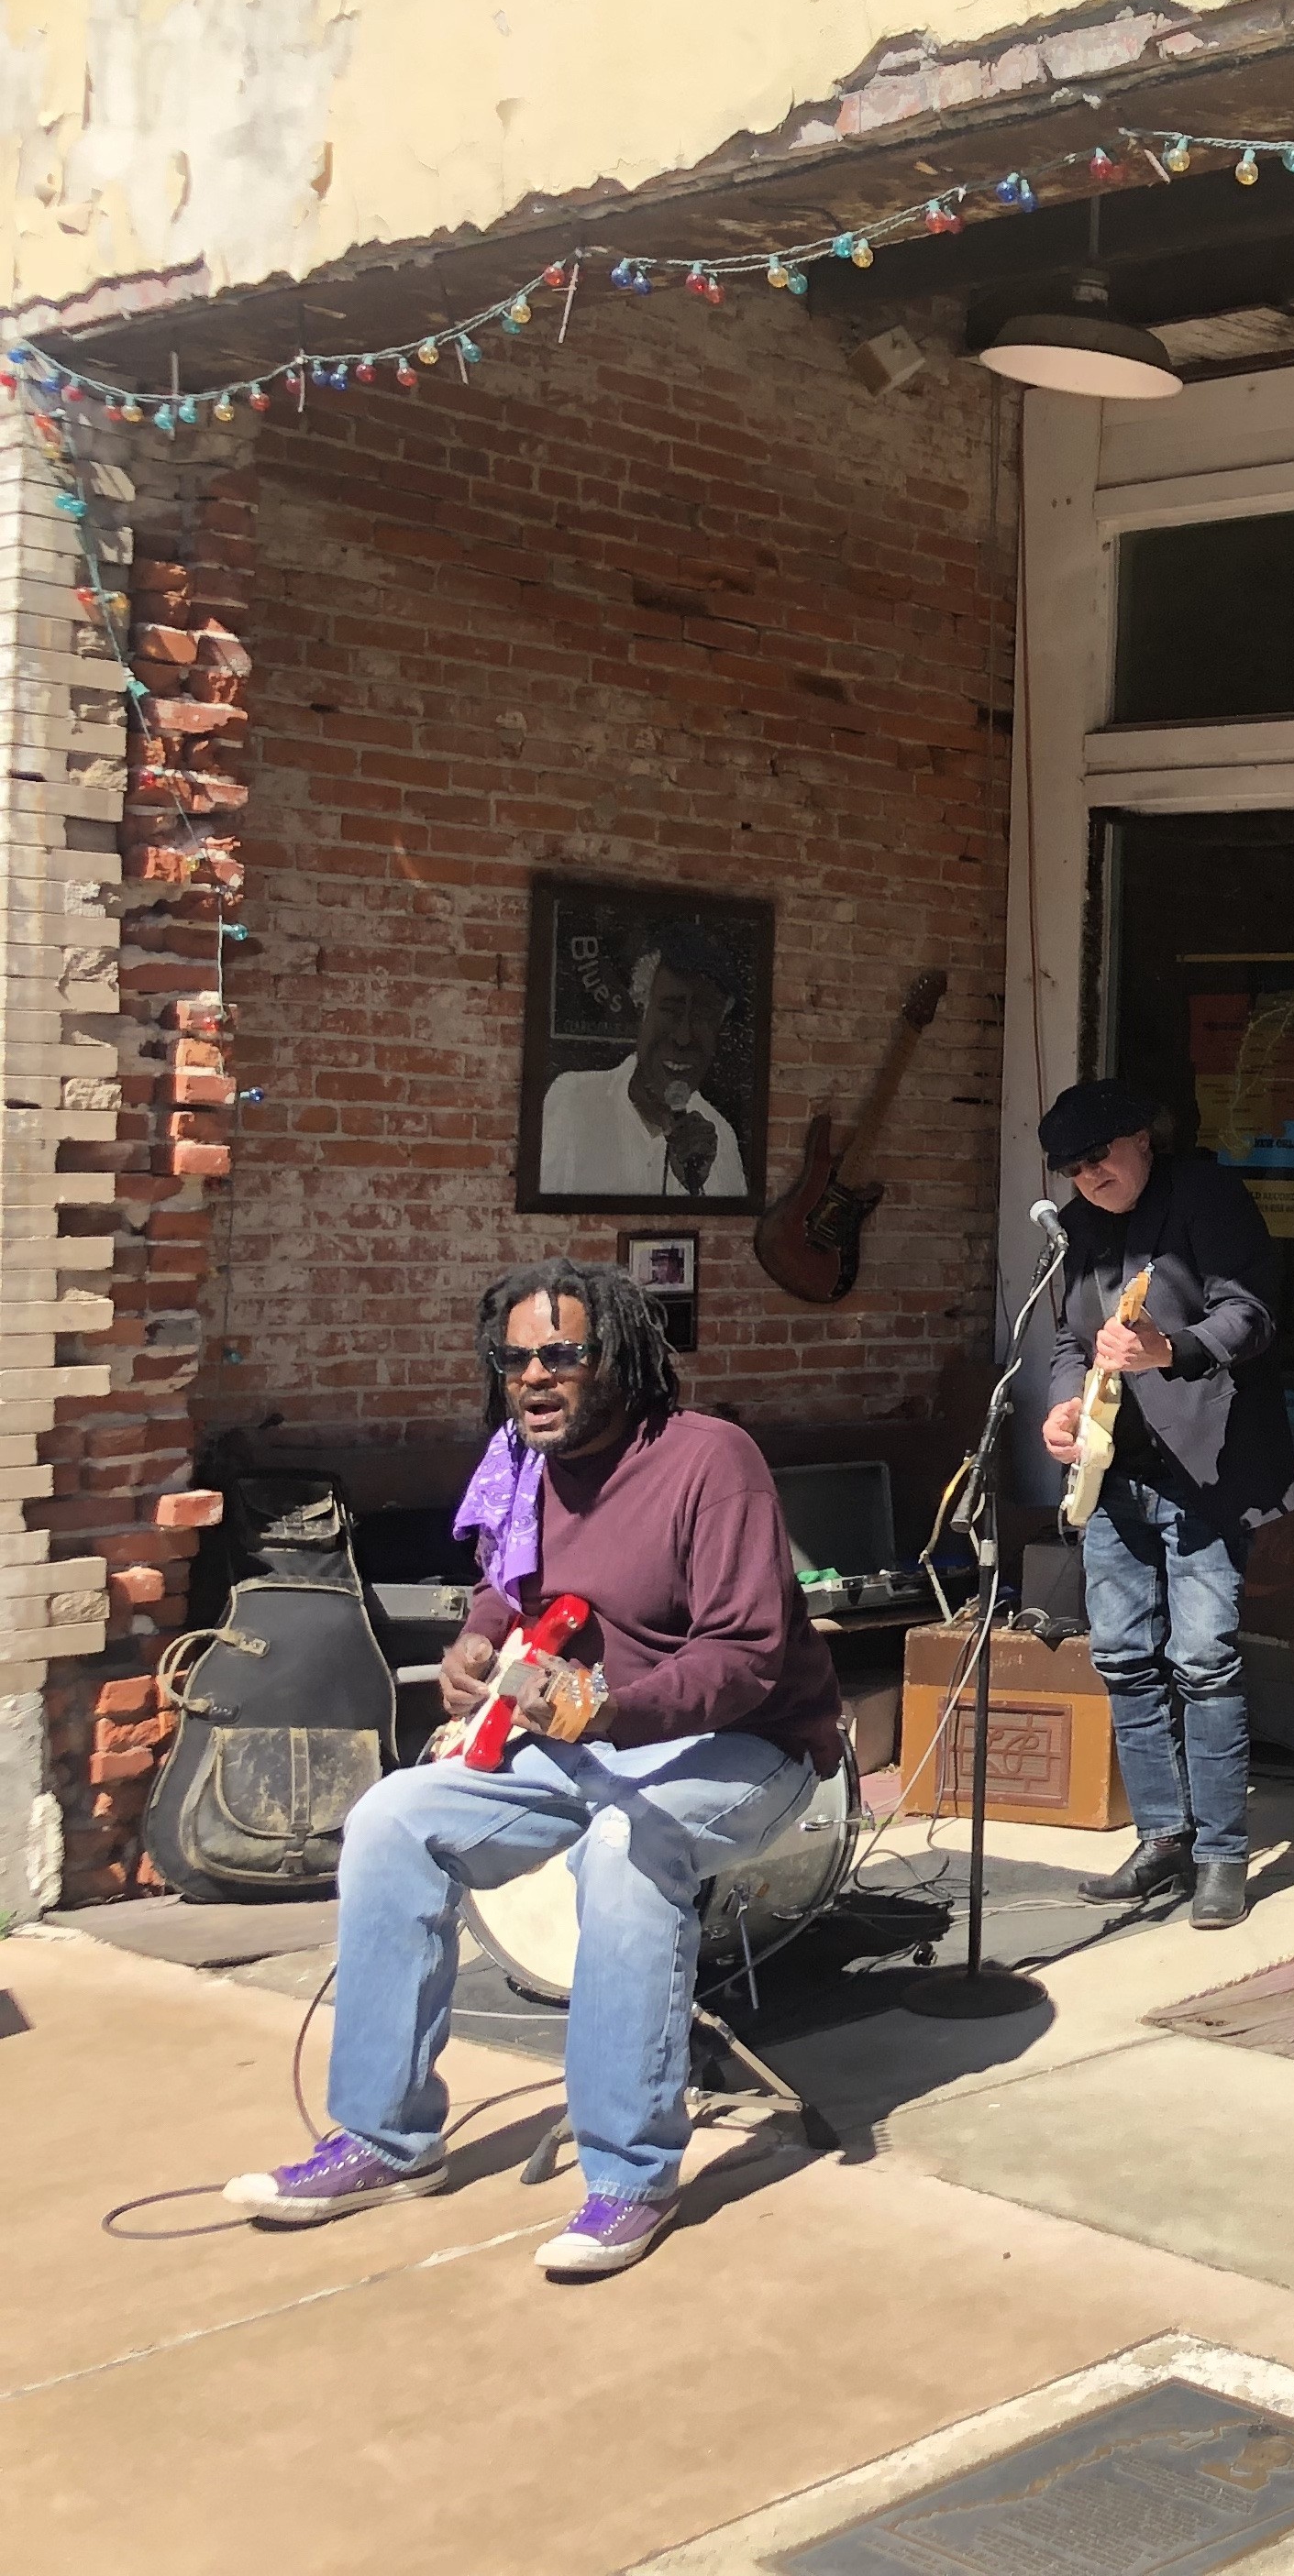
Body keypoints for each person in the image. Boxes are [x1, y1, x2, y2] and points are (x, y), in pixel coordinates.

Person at [224, 1260, 842, 2279]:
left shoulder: (708, 1459)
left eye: (562, 1354)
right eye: (515, 1360)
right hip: (583, 1738)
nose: (535, 1378)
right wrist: (478, 1644)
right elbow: (505, 1589)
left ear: (624, 1359)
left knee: (627, 1841)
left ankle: (631, 2173)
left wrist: (612, 1708)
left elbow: (748, 1655)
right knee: (393, 1820)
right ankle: (385, 2139)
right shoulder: (521, 1462)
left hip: (747, 1746)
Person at [1035, 1077, 1294, 1930]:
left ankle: (1222, 1854)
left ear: (1142, 1138)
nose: (1089, 1178)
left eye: (1099, 1158)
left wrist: (1170, 1350)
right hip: (1115, 1475)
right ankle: (1161, 1837)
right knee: (1120, 1656)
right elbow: (1069, 1342)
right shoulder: (1075, 1232)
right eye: (1072, 1170)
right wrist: (1064, 1406)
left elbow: (1250, 1312)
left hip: (1207, 1468)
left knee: (1204, 1658)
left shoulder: (1208, 1198)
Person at [538, 921, 749, 1199]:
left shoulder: (721, 1136)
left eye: (703, 1017)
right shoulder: (574, 1101)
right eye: (670, 1011)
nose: (684, 1037)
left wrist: (695, 1185)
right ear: (641, 1009)